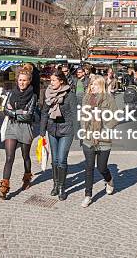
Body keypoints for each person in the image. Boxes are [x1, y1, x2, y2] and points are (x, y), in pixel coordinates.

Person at [0, 69, 38, 199]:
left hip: (26, 128)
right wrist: (19, 113)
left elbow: (29, 115)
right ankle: (4, 186)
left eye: (24, 80)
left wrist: (14, 112)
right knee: (9, 157)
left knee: (25, 156)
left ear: (29, 81)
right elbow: (5, 110)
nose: (21, 82)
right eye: (20, 80)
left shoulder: (33, 95)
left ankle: (27, 177)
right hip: (11, 127)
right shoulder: (12, 93)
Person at [80, 75, 117, 208]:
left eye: (95, 84)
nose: (92, 87)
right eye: (91, 84)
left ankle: (109, 180)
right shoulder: (86, 98)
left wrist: (105, 127)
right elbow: (83, 117)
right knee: (88, 167)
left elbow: (115, 117)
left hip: (104, 139)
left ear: (101, 85)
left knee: (101, 167)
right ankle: (88, 195)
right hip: (89, 139)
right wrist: (83, 130)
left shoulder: (109, 99)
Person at [41, 70, 77, 201]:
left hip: (66, 130)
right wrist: (41, 131)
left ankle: (62, 187)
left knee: (62, 159)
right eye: (50, 80)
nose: (51, 83)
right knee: (54, 160)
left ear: (61, 81)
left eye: (54, 80)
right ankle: (55, 184)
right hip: (52, 129)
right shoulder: (48, 93)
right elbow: (44, 112)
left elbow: (74, 114)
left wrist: (78, 132)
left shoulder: (70, 95)